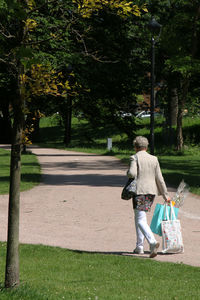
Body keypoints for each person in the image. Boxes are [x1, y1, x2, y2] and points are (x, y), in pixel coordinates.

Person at [127, 136, 170, 258]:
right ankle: (139, 246)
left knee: (140, 219)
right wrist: (165, 195)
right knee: (140, 218)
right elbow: (160, 179)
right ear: (146, 146)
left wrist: (127, 173)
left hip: (139, 191)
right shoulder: (154, 159)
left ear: (135, 147)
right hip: (151, 192)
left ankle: (152, 242)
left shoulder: (134, 158)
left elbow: (132, 173)